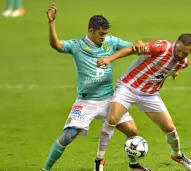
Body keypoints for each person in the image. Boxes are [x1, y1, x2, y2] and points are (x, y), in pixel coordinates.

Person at [41, 3, 151, 171]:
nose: (104, 37)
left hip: (109, 100)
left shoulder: (111, 42)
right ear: (91, 31)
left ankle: (133, 164)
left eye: (106, 34)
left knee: (133, 131)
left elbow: (132, 48)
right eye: (101, 34)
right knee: (66, 137)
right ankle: (45, 169)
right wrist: (51, 23)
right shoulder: (77, 45)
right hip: (86, 102)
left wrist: (138, 44)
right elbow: (56, 44)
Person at [97, 33, 191, 171]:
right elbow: (133, 49)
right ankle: (99, 159)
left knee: (170, 128)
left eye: (184, 53)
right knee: (112, 118)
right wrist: (109, 59)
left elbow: (176, 66)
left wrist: (174, 72)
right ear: (176, 43)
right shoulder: (161, 47)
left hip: (150, 95)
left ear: (190, 52)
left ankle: (177, 155)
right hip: (128, 87)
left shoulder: (183, 62)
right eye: (178, 50)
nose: (180, 54)